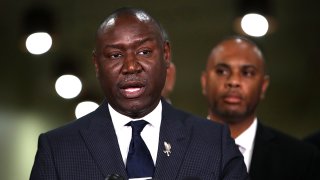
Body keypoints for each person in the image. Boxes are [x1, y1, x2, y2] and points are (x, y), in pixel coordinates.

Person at [30, 8, 248, 180]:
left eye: (144, 52)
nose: (131, 66)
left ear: (166, 54)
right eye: (115, 55)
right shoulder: (58, 150)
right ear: (97, 64)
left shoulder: (213, 143)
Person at [200, 36, 320, 180]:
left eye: (247, 73)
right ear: (204, 81)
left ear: (263, 86)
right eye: (222, 71)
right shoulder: (170, 149)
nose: (233, 81)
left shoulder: (301, 158)